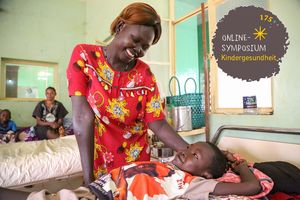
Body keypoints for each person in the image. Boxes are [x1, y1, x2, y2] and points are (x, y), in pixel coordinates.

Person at [67, 2, 188, 185]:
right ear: (121, 26)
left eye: (145, 47)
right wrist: (87, 178)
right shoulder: (85, 57)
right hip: (100, 161)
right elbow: (82, 116)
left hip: (137, 162)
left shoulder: (145, 75)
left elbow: (158, 123)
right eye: (136, 39)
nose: (138, 49)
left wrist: (192, 151)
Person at [0, 141, 263, 200]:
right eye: (189, 147)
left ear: (206, 173)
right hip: (95, 190)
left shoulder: (193, 182)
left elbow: (252, 187)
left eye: (195, 155)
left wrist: (239, 165)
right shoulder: (167, 164)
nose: (185, 151)